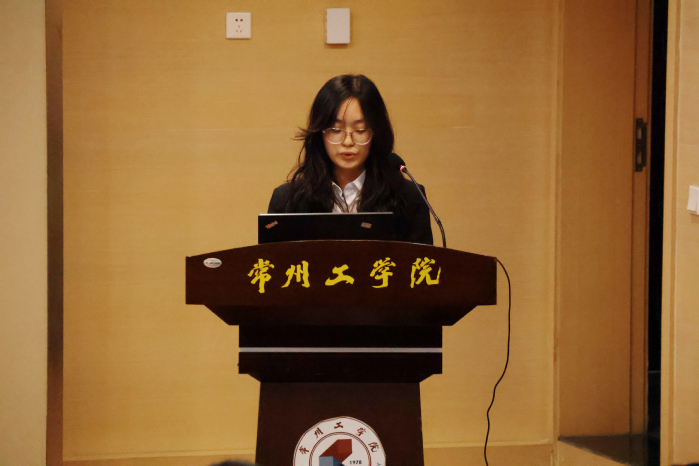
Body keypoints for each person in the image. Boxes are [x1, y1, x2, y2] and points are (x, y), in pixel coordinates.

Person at [267, 74, 433, 245]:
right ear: (320, 134)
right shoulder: (287, 201)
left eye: (360, 130)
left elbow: (422, 261)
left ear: (375, 133)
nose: (348, 142)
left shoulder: (409, 198)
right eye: (336, 130)